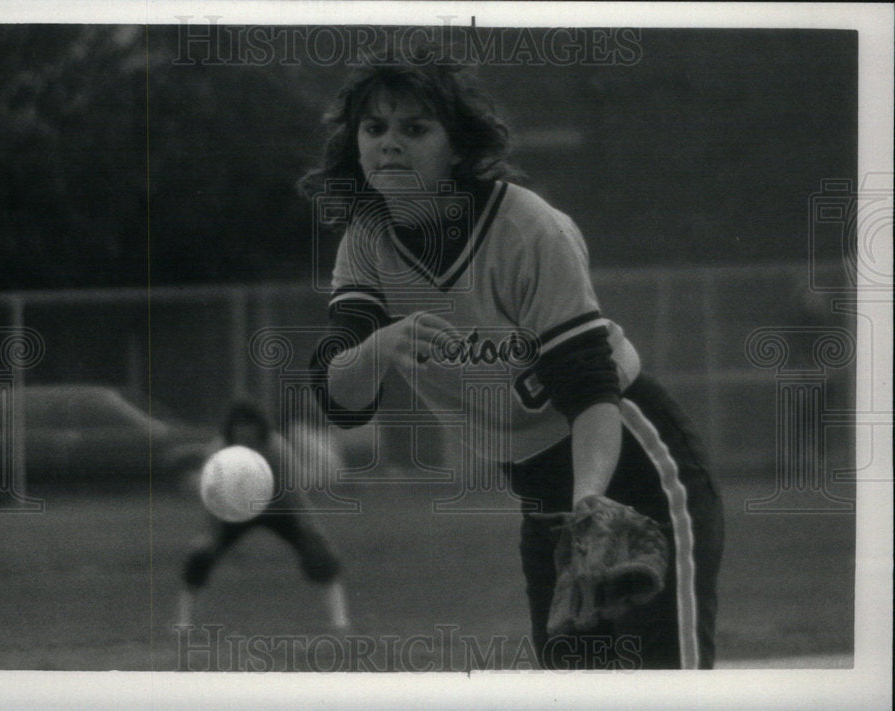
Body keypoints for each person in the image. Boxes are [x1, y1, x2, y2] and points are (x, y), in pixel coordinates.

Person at [300, 50, 724, 669]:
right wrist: (382, 343)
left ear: (456, 147)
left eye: (415, 128)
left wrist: (590, 508)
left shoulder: (526, 230)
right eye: (375, 128)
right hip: (546, 501)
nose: (390, 144)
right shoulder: (366, 242)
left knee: (668, 687)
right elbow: (341, 401)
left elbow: (590, 390)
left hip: (632, 476)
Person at [176, 400, 350, 631]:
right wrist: (209, 534)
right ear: (231, 428)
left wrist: (310, 527)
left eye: (250, 425)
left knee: (319, 553)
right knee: (200, 556)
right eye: (240, 425)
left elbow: (293, 492)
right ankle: (183, 622)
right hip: (235, 510)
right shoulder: (219, 450)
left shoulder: (275, 447)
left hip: (276, 507)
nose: (245, 431)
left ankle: (340, 620)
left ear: (260, 427)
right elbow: (212, 493)